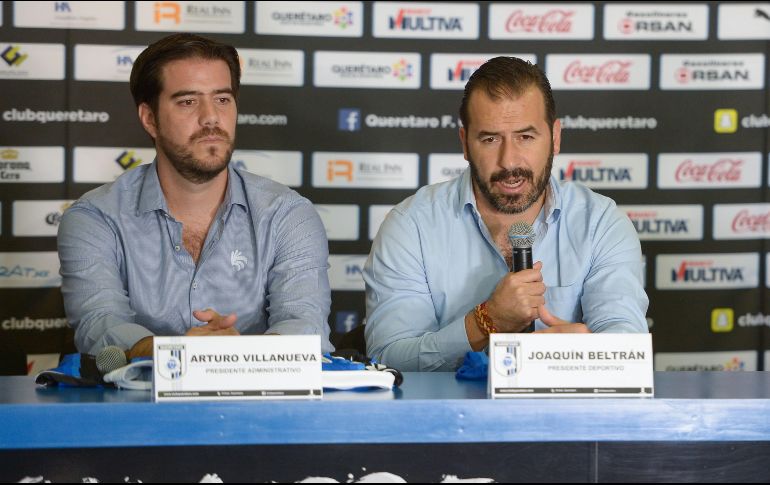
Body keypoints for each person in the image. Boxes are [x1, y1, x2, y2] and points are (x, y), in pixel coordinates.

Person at [363, 57, 648, 372]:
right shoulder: (411, 225)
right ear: (465, 144)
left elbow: (626, 343)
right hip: (445, 419)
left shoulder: (599, 223)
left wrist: (583, 355)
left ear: (555, 138)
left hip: (565, 417)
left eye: (526, 137)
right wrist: (486, 322)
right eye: (490, 139)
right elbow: (388, 359)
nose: (509, 161)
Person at [58, 33, 333, 359]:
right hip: (138, 407)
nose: (211, 118)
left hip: (262, 407)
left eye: (222, 99)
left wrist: (227, 357)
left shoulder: (287, 214)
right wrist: (181, 354)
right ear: (150, 119)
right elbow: (100, 324)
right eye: (188, 101)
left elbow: (305, 328)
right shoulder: (95, 218)